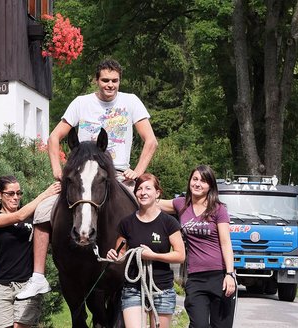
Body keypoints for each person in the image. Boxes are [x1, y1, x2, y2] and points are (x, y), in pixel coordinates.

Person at [17, 58, 158, 299]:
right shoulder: (81, 103)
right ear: (96, 80)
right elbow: (54, 139)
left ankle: (148, 275)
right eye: (105, 80)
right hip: (82, 174)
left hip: (118, 174)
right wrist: (57, 169)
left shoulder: (131, 101)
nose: (110, 85)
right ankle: (38, 277)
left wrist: (137, 170)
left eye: (114, 81)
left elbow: (151, 141)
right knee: (42, 210)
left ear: (119, 81)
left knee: (148, 214)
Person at [159, 165, 237, 328]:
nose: (198, 184)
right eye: (195, 179)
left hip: (220, 277)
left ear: (210, 186)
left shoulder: (218, 209)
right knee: (199, 325)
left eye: (203, 180)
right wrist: (132, 185)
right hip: (195, 278)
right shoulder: (181, 205)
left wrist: (230, 274)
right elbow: (152, 202)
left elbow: (226, 243)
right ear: (189, 182)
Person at [106, 173, 185, 328]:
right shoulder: (126, 223)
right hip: (133, 289)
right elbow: (121, 254)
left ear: (157, 193)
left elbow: (180, 255)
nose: (143, 192)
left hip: (162, 289)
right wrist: (114, 255)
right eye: (139, 189)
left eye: (148, 188)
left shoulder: (169, 222)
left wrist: (153, 256)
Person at [0, 175, 61, 328]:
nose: (15, 197)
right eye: (10, 194)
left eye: (18, 193)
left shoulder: (33, 220)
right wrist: (45, 194)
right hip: (1, 286)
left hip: (27, 285)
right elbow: (19, 216)